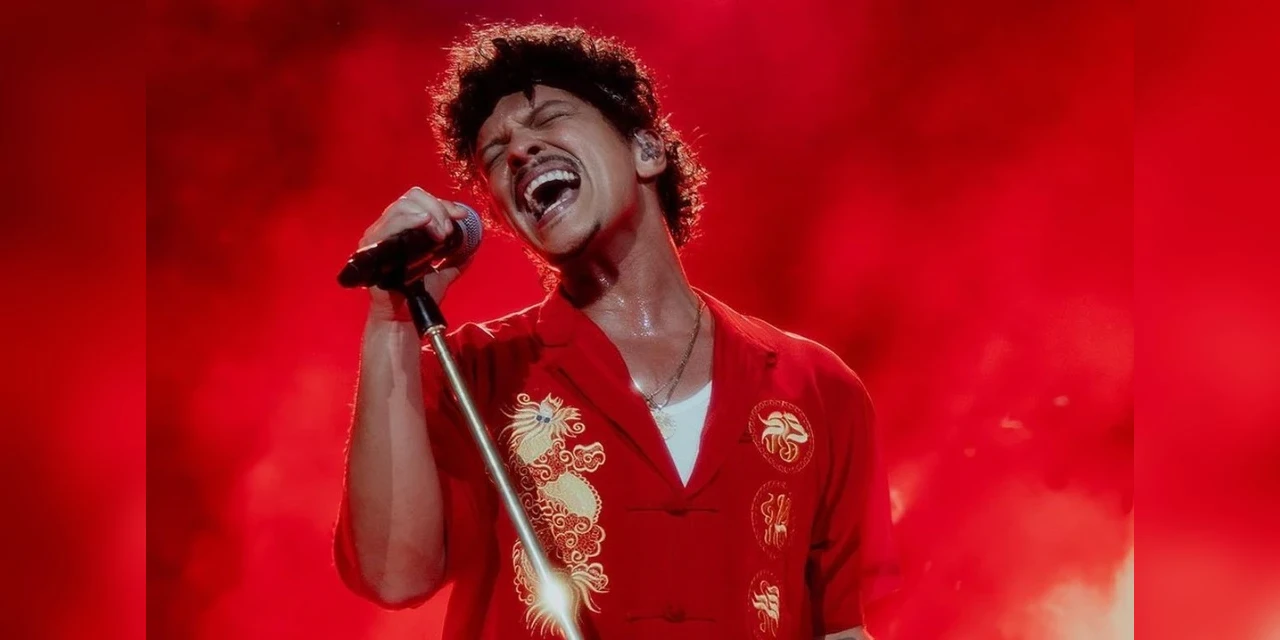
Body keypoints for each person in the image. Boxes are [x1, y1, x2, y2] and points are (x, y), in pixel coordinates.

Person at [334, 22, 899, 640]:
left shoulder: (816, 388)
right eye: (495, 156)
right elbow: (394, 576)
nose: (519, 152)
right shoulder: (471, 373)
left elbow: (841, 628)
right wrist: (392, 319)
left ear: (646, 150)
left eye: (549, 119)